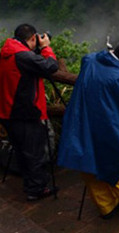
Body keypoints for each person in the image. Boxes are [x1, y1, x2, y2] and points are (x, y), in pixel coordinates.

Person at [57, 38, 119, 219]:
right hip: (102, 124)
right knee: (116, 160)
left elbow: (90, 59)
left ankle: (107, 206)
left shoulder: (91, 60)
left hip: (80, 120)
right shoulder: (118, 77)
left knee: (88, 162)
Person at [0, 24, 59, 201]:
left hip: (7, 111)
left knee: (21, 150)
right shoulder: (23, 56)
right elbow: (50, 66)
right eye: (37, 39)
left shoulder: (7, 51)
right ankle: (36, 189)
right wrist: (46, 47)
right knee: (34, 152)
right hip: (24, 112)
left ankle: (31, 182)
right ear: (33, 38)